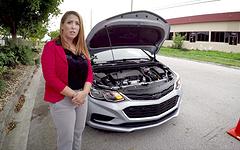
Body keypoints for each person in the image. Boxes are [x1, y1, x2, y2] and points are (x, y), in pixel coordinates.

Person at [41, 11, 93, 150]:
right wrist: (74, 95)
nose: (73, 27)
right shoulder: (51, 47)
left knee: (78, 134)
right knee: (66, 139)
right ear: (62, 26)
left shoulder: (82, 48)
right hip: (62, 99)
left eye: (77, 24)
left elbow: (90, 74)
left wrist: (84, 93)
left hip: (82, 98)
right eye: (69, 22)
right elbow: (50, 77)